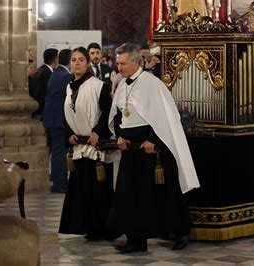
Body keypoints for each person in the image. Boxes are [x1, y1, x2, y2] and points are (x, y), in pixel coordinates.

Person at [107, 43, 200, 253]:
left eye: (122, 63)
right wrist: (119, 135)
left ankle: (181, 232)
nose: (118, 67)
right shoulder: (122, 84)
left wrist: (153, 139)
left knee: (165, 193)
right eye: (117, 63)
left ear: (135, 62)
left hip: (154, 149)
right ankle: (135, 240)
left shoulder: (152, 83)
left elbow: (166, 116)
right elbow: (120, 114)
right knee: (129, 194)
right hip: (130, 147)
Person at [58, 47, 118, 241]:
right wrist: (69, 134)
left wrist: (97, 132)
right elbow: (67, 115)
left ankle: (104, 228)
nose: (76, 63)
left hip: (95, 147)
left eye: (81, 59)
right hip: (78, 147)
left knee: (98, 190)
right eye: (73, 59)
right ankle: (88, 226)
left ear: (87, 63)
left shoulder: (99, 86)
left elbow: (109, 112)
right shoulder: (69, 87)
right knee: (81, 190)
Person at [43, 49, 72, 193]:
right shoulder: (65, 75)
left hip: (53, 118)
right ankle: (60, 183)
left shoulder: (56, 72)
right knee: (59, 152)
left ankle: (58, 181)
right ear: (69, 61)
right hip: (58, 119)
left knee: (57, 151)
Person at [33, 48, 58, 120]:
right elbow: (41, 93)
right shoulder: (45, 73)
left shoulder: (41, 70)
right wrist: (39, 112)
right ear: (54, 59)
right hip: (43, 111)